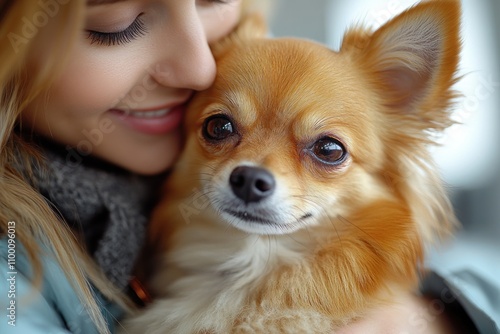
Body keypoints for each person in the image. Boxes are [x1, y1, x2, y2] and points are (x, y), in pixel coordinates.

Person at [0, 0, 497, 333]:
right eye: (221, 130)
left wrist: (441, 314)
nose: (199, 66)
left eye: (326, 150)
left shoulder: (267, 65)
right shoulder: (16, 278)